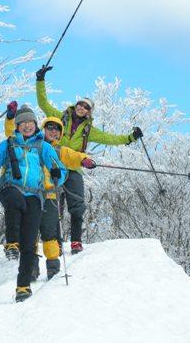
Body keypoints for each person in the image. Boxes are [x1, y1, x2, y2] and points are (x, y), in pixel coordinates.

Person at [36, 65, 143, 254]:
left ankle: (76, 241)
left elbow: (110, 138)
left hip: (75, 169)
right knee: (54, 205)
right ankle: (56, 241)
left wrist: (129, 138)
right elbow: (43, 102)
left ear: (89, 112)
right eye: (80, 104)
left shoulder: (89, 131)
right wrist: (40, 80)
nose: (81, 107)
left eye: (86, 107)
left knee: (77, 205)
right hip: (54, 166)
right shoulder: (60, 117)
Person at [0, 104, 67, 302]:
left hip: (35, 196)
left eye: (30, 122)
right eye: (23, 123)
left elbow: (59, 169)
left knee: (29, 242)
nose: (27, 126)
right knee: (15, 200)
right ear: (17, 126)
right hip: (11, 188)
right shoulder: (7, 144)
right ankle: (11, 243)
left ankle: (23, 286)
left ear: (35, 125)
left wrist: (57, 174)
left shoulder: (43, 147)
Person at [4, 101, 95, 280]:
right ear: (43, 129)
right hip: (31, 195)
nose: (53, 132)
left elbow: (73, 156)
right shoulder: (29, 145)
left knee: (50, 233)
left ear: (61, 134)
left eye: (57, 129)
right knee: (30, 234)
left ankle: (53, 267)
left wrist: (84, 159)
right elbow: (10, 134)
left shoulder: (60, 150)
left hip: (50, 197)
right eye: (50, 128)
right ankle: (31, 268)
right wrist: (10, 118)